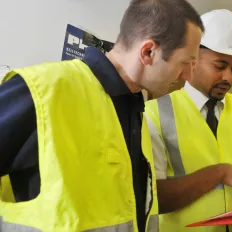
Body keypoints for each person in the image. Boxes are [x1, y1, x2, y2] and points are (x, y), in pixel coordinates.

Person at [0, 0, 203, 231]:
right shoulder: (44, 90)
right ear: (148, 52)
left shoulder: (134, 108)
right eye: (186, 63)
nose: (188, 76)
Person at [144, 9, 232, 232]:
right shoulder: (153, 114)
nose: (229, 78)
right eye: (220, 66)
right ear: (193, 59)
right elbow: (154, 199)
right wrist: (220, 173)